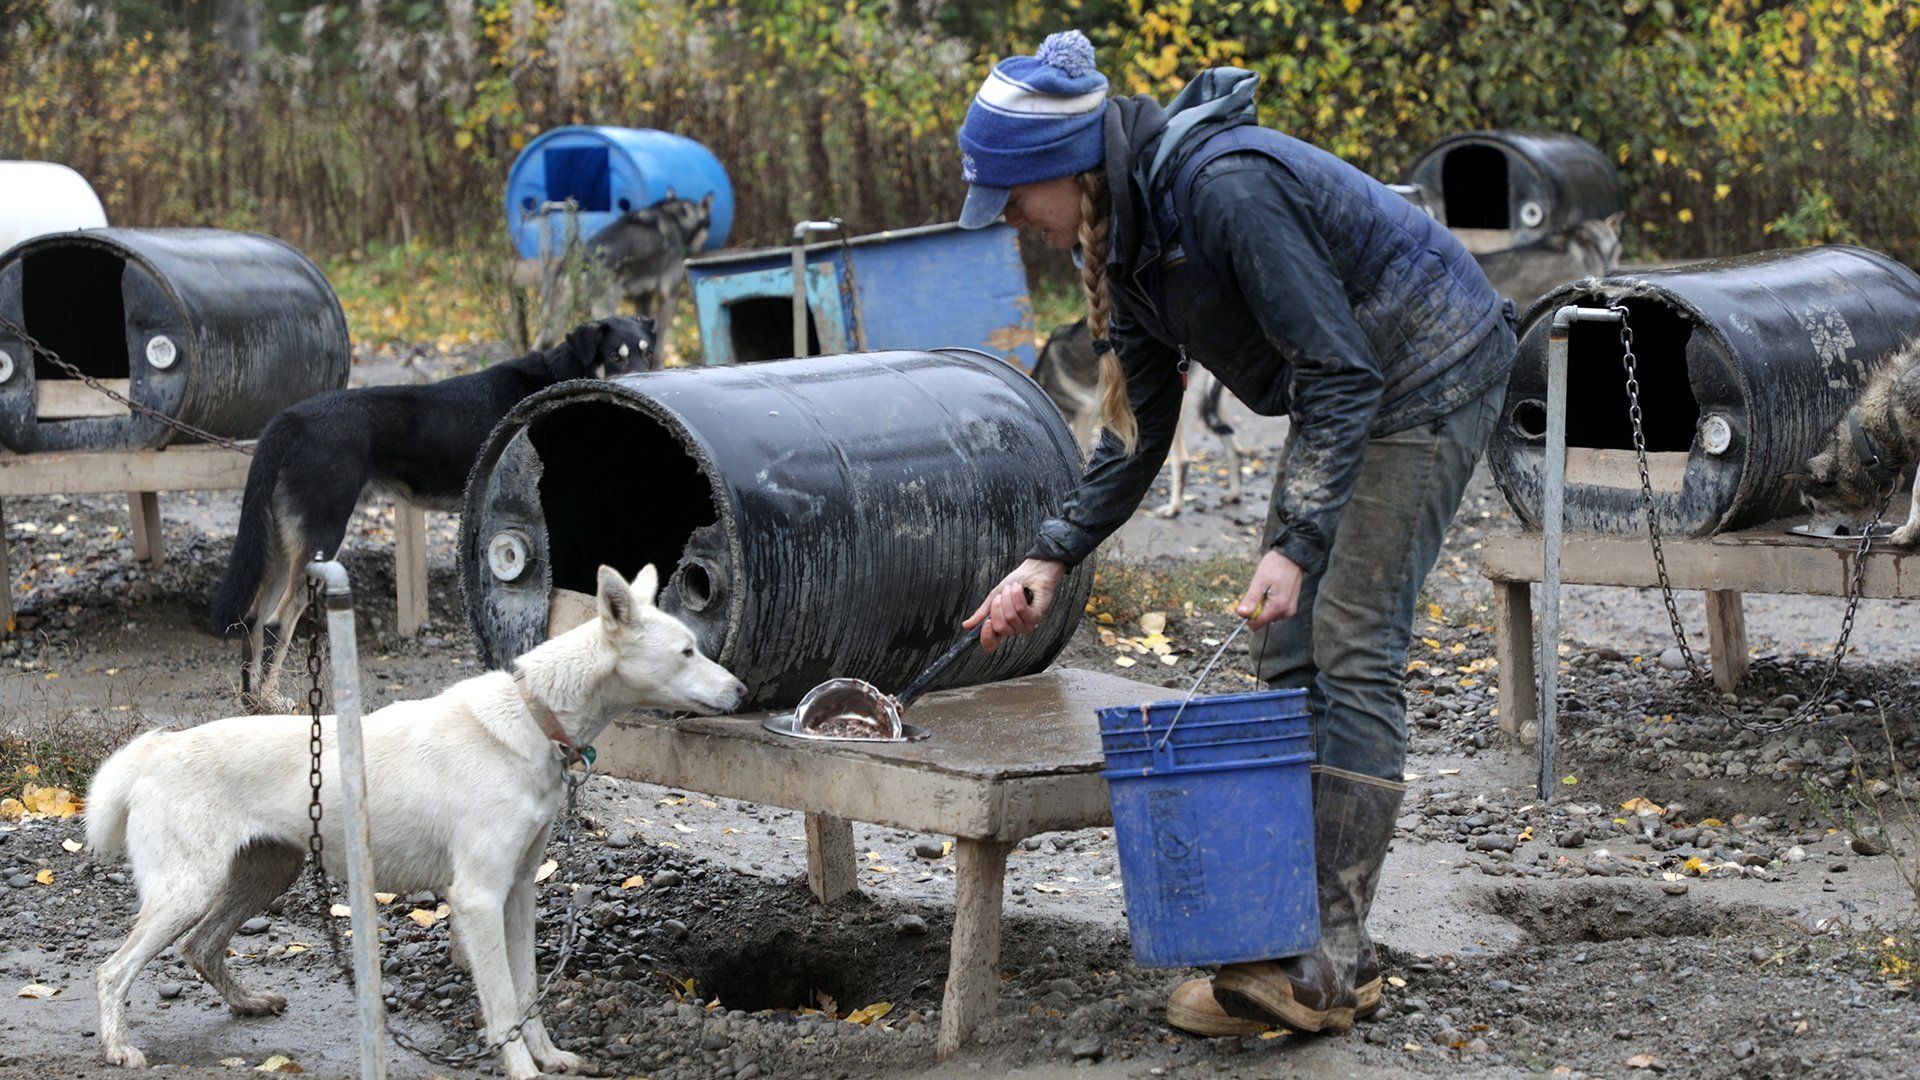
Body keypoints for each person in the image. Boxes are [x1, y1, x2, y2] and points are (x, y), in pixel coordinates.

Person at [956, 30, 1518, 1036]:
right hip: (1350, 390)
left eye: (1011, 196)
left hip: (1426, 370)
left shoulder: (1222, 189)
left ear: (1061, 169)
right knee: (1283, 643)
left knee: (1350, 642)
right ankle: (1290, 940)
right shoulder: (1121, 243)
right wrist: (1047, 556)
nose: (1010, 220)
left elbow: (1343, 373)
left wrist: (1294, 543)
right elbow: (1136, 434)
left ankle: (1327, 964)